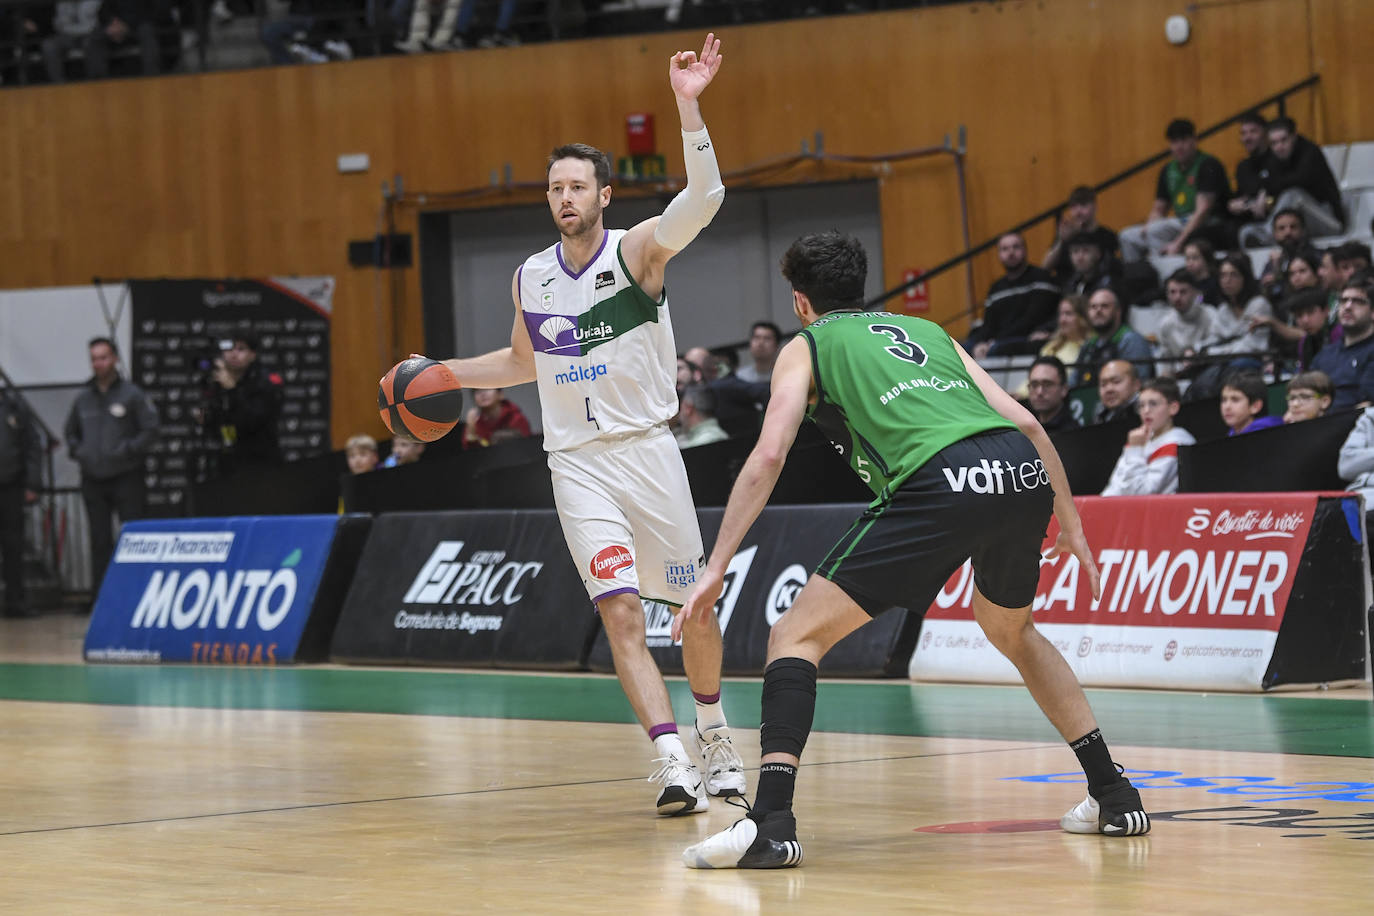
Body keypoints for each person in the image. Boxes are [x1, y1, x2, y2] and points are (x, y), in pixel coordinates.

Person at [675, 231, 1148, 870]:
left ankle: (771, 824)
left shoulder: (807, 344)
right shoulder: (928, 331)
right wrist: (1070, 521)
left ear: (801, 302)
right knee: (1012, 628)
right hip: (1017, 470)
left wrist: (715, 565)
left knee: (794, 636)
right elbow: (1030, 423)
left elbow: (767, 455)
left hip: (938, 478)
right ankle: (1114, 795)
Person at [423, 35, 747, 816]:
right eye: (554, 187)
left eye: (577, 186)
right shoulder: (530, 273)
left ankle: (716, 735)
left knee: (690, 610)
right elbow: (521, 361)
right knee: (619, 610)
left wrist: (688, 105)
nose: (564, 197)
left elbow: (704, 200)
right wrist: (442, 374)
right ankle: (672, 761)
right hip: (576, 462)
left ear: (604, 194)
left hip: (647, 450)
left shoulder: (638, 253)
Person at [64, 338, 159, 595]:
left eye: (103, 357)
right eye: (94, 358)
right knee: (99, 540)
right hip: (93, 477)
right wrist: (80, 451)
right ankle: (101, 596)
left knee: (132, 537)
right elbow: (70, 433)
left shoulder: (132, 394)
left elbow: (150, 430)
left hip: (126, 476)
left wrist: (128, 450)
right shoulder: (83, 398)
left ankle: (137, 593)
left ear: (115, 358)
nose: (98, 363)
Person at [1119, 118, 1231, 261]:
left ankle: (1161, 271)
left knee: (1156, 231)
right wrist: (1146, 229)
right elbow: (1159, 209)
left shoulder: (1208, 164)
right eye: (1174, 142)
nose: (1179, 146)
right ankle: (1136, 277)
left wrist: (1178, 243)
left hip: (1207, 222)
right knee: (1127, 236)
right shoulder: (1167, 170)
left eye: (1183, 140)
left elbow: (1202, 211)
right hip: (1180, 222)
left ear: (1194, 140)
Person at [1238, 116, 1344, 244]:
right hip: (1298, 224)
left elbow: (1299, 180)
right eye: (1274, 143)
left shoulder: (1310, 152)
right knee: (1246, 231)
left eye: (1283, 140)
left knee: (1293, 195)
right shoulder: (1273, 159)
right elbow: (1270, 184)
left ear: (1294, 137)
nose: (1279, 147)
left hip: (1328, 219)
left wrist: (1266, 192)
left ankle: (1269, 233)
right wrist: (1263, 199)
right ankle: (1270, 232)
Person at [198, 332, 284, 479]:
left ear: (253, 355)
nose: (233, 354)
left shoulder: (265, 381)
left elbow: (252, 420)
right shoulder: (217, 380)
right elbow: (218, 422)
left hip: (259, 463)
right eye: (229, 349)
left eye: (241, 349)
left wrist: (232, 389)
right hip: (226, 462)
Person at [968, 233, 1060, 358]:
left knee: (996, 350)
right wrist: (981, 343)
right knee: (963, 349)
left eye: (1016, 247)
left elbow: (1032, 320)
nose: (1011, 252)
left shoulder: (1041, 278)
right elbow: (989, 324)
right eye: (1005, 249)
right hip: (998, 340)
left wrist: (994, 341)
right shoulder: (996, 288)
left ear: (1025, 250)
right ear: (999, 255)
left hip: (1027, 338)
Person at [1101, 377, 1194, 496]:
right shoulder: (1138, 438)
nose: (1146, 411)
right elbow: (1115, 485)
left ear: (1173, 408)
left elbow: (1142, 493)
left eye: (1153, 404)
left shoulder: (1178, 441)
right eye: (1141, 405)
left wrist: (1134, 450)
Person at [0, 385, 43, 618]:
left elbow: (32, 445)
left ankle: (15, 601)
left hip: (10, 487)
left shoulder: (15, 405)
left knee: (13, 548)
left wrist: (33, 483)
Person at [1311, 274, 1374, 410]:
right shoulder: (1325, 354)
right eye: (1344, 300)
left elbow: (1366, 405)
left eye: (1358, 301)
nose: (1348, 306)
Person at [1072, 287, 1154, 386]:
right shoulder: (1088, 344)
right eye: (1093, 307)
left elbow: (1138, 383)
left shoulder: (1132, 341)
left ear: (1118, 311)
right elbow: (1073, 382)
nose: (1098, 310)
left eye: (1105, 306)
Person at [1042, 185, 1119, 283]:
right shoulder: (1067, 234)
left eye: (1083, 205)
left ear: (1094, 207)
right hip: (1067, 287)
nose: (1078, 212)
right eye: (1073, 207)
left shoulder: (1107, 235)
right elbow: (1045, 267)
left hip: (1097, 285)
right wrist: (1061, 241)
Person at [1156, 269, 1218, 376]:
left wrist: (1196, 352)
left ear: (1195, 293)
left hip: (1209, 371)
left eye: (1183, 292)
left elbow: (1217, 347)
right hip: (1178, 375)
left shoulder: (1210, 314)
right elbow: (1165, 360)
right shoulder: (1165, 323)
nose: (1177, 297)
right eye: (1172, 292)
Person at [1228, 110, 1279, 235]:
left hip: (1276, 216)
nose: (1247, 138)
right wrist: (1234, 204)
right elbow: (1242, 195)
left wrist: (1267, 201)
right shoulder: (1243, 166)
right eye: (1243, 133)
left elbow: (1284, 192)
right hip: (1250, 216)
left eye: (1253, 131)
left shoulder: (1277, 159)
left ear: (1265, 133)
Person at [460, 387, 532, 448]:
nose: (483, 394)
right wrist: (471, 430)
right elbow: (469, 452)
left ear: (501, 394)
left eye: (488, 388)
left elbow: (527, 445)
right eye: (477, 391)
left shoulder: (515, 418)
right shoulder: (474, 422)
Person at [1023, 356, 1080, 433]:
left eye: (1047, 384)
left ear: (1064, 389)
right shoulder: (1022, 428)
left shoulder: (1074, 432)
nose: (1040, 392)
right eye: (1034, 384)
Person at [1220, 372, 1282, 436]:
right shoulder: (1232, 433)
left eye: (1235, 400)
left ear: (1255, 406)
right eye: (1224, 400)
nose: (1227, 407)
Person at [676, 384, 729, 448]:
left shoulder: (703, 442)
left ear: (688, 408)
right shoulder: (719, 434)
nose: (679, 415)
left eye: (681, 408)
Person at [1093, 359, 1141, 424]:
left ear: (1136, 384)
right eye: (1103, 384)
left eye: (1116, 381)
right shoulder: (1100, 413)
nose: (1109, 389)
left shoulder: (1146, 410)